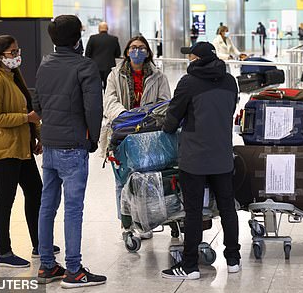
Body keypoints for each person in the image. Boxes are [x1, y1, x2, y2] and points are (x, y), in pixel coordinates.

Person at [0, 36, 55, 269]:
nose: (16, 55)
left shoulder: (12, 76)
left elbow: (26, 108)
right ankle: (4, 252)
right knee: (5, 200)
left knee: (35, 191)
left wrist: (36, 134)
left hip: (21, 146)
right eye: (11, 52)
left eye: (18, 50)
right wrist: (26, 119)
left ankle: (39, 243)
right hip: (4, 148)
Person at [34, 15, 106, 288]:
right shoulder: (84, 66)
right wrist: (93, 138)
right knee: (73, 209)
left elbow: (37, 103)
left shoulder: (44, 64)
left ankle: (47, 266)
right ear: (78, 38)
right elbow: (93, 109)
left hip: (50, 144)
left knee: (47, 205)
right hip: (73, 146)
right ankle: (74, 270)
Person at [160, 42, 240, 280]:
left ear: (197, 59)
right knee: (228, 208)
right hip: (223, 156)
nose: (189, 60)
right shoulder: (230, 81)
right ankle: (233, 260)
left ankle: (190, 266)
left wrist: (169, 126)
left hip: (194, 158)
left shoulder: (188, 82)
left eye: (191, 56)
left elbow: (172, 120)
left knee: (193, 211)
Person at [102, 36, 171, 236]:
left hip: (148, 134)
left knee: (146, 177)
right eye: (133, 47)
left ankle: (145, 220)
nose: (137, 51)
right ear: (126, 52)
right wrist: (127, 117)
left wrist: (146, 118)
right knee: (121, 179)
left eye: (141, 48)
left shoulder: (158, 77)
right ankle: (126, 223)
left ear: (148, 52)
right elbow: (110, 101)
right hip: (121, 132)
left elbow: (165, 102)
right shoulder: (115, 75)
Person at [85, 22, 121, 90]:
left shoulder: (93, 38)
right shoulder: (114, 39)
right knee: (109, 88)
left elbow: (87, 54)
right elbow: (118, 54)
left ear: (99, 29)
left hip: (95, 67)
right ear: (107, 29)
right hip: (109, 67)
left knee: (95, 88)